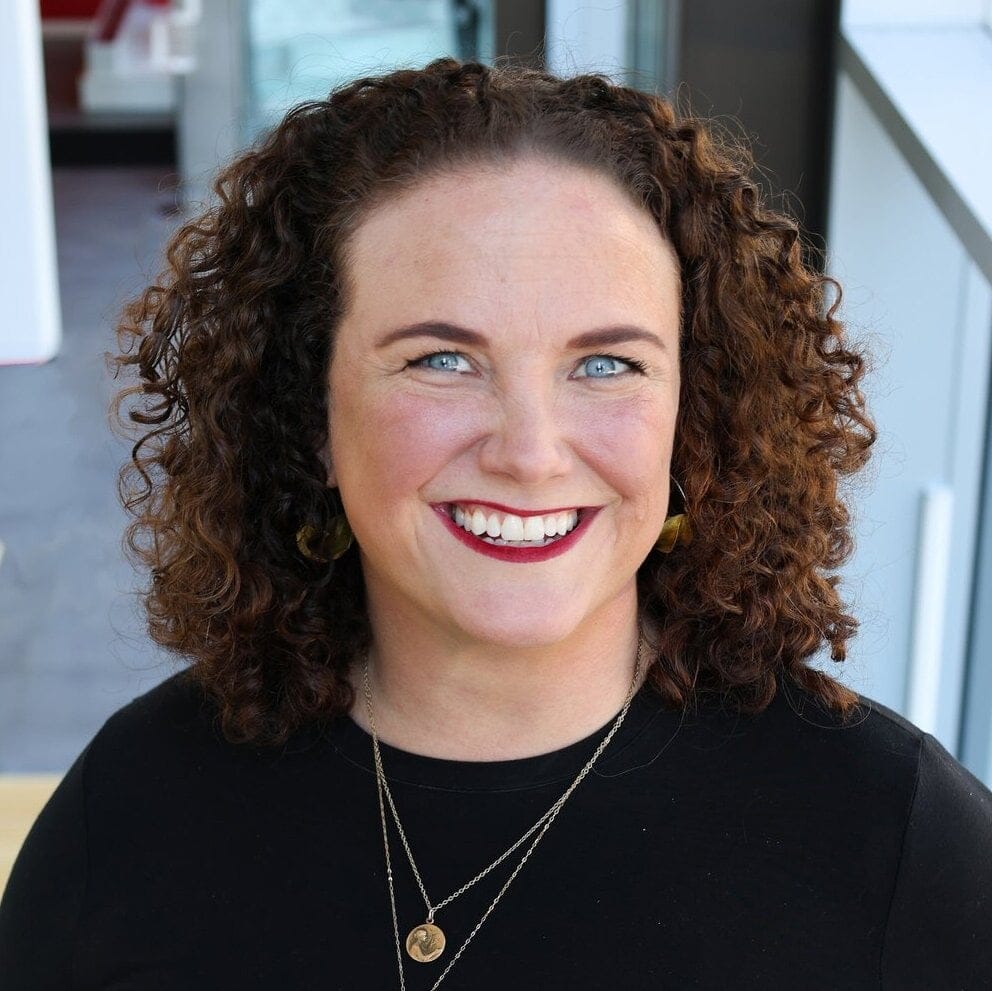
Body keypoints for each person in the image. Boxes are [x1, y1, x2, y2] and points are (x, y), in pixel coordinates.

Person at [1, 56, 990, 990]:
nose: (529, 449)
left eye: (606, 363)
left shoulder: (895, 842)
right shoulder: (136, 811)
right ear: (309, 413)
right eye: (442, 359)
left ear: (697, 413)